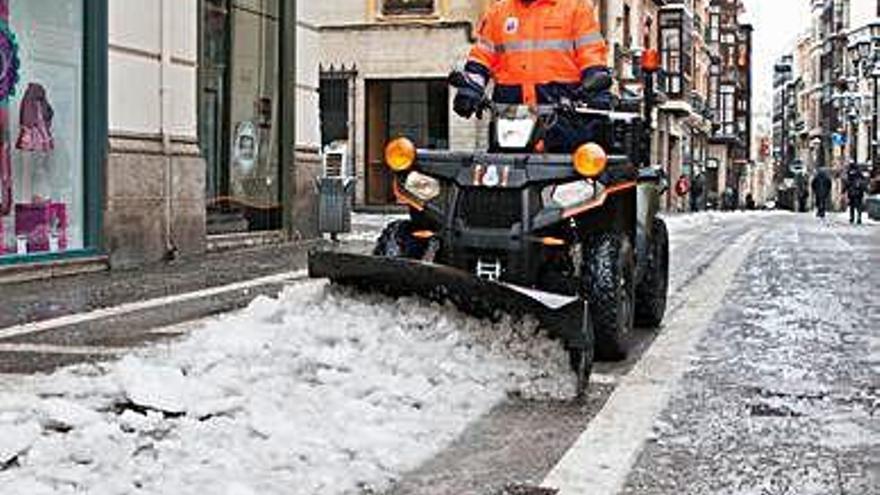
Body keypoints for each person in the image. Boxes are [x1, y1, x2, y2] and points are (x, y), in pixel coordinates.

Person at [454, 0, 611, 151]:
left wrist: (597, 92)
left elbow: (591, 56)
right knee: (500, 172)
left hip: (563, 118)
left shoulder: (577, 8)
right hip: (508, 118)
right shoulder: (498, 12)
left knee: (568, 173)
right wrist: (469, 90)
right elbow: (481, 58)